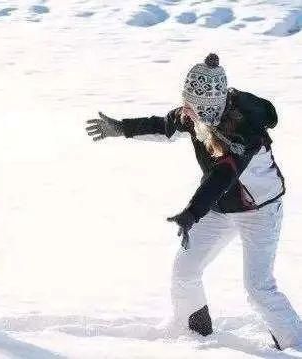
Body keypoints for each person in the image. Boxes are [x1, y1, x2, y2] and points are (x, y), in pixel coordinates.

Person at [85, 53, 302, 350]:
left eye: (192, 107)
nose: (186, 111)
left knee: (258, 288)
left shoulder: (244, 130)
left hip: (259, 211)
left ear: (210, 107)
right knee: (185, 272)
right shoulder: (195, 113)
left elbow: (223, 176)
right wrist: (122, 128)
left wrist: (191, 213)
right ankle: (194, 337)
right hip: (220, 208)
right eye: (187, 103)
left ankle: (296, 345)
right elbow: (165, 126)